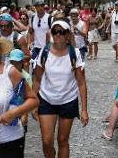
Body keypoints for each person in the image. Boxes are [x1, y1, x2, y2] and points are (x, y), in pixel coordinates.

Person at [33, 20, 89, 158]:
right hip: (46, 100)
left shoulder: (74, 53)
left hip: (68, 101)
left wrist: (84, 110)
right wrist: (33, 103)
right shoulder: (44, 52)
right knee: (47, 141)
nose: (58, 35)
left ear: (68, 35)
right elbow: (37, 79)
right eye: (55, 32)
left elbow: (81, 83)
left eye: (62, 32)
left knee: (63, 141)